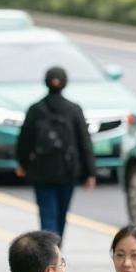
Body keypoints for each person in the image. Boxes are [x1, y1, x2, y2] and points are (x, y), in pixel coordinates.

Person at [15, 66, 96, 241]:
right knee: (61, 215)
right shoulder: (74, 109)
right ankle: (56, 251)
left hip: (42, 172)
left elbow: (24, 140)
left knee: (47, 214)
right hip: (68, 172)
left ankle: (49, 251)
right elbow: (84, 142)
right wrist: (90, 172)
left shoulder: (35, 109)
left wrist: (22, 164)